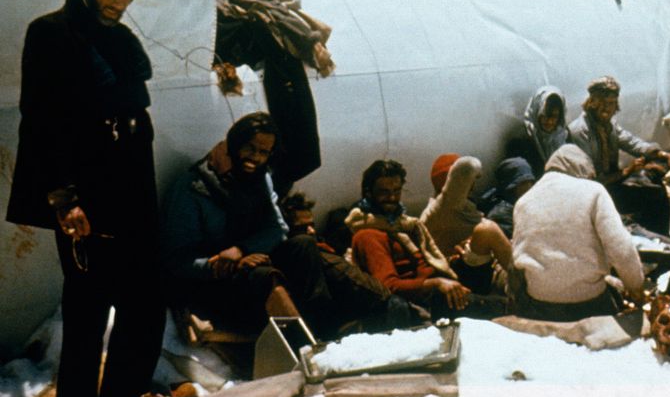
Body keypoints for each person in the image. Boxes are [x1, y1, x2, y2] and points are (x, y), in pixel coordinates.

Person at [6, 0, 165, 397]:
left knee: (143, 302)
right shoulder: (52, 34)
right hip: (85, 193)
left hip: (131, 189)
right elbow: (42, 121)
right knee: (88, 303)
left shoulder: (119, 39)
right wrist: (64, 199)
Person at [160, 113, 322, 335]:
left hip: (244, 260)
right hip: (212, 281)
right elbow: (176, 259)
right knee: (264, 276)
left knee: (303, 246)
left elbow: (277, 228)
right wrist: (218, 264)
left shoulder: (258, 177)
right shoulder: (194, 187)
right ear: (234, 145)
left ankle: (321, 328)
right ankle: (299, 343)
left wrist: (242, 250)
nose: (255, 158)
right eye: (249, 148)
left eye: (263, 152)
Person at [349, 160, 506, 319]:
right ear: (369, 193)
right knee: (502, 307)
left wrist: (450, 260)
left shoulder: (403, 225)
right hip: (428, 300)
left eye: (396, 191)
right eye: (384, 192)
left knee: (486, 233)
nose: (392, 197)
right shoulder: (368, 235)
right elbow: (389, 285)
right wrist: (437, 284)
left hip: (439, 283)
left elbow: (424, 260)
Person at [510, 144, 644, 321]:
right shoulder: (593, 191)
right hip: (587, 303)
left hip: (539, 302)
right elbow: (621, 248)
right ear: (581, 168)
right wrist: (635, 286)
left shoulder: (523, 202)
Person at [279, 192, 413, 333]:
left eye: (311, 225)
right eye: (302, 228)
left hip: (373, 304)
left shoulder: (326, 247)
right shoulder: (311, 252)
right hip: (370, 307)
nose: (311, 231)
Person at [568, 76, 670, 235]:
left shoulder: (609, 127)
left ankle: (660, 241)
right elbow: (590, 181)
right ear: (592, 103)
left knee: (655, 189)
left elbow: (633, 143)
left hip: (611, 185)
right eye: (603, 103)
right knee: (647, 196)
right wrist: (628, 171)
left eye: (612, 103)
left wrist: (665, 156)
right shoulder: (580, 131)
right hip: (592, 195)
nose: (608, 108)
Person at [420, 153, 512, 293]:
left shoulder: (460, 209)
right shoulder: (444, 208)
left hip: (480, 267)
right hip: (460, 276)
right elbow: (466, 168)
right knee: (488, 231)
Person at [479, 157, 536, 238]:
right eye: (523, 183)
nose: (528, 187)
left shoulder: (525, 202)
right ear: (511, 188)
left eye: (530, 182)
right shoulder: (501, 214)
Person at [522, 85, 569, 174]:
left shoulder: (566, 138)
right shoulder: (526, 143)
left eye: (554, 117)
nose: (549, 122)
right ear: (536, 112)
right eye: (545, 115)